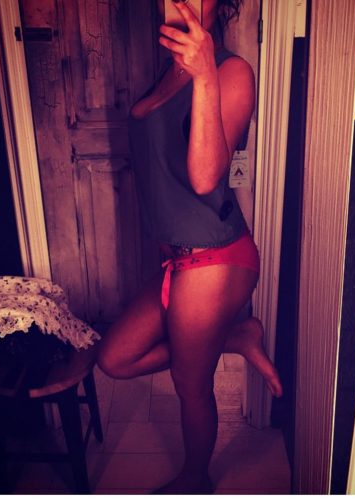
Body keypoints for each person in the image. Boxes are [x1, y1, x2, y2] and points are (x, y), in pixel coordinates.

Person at [96, 0, 283, 494]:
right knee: (114, 359)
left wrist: (204, 75)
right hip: (177, 260)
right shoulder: (166, 70)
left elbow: (204, 178)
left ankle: (195, 481)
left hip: (216, 256)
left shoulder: (232, 72)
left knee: (190, 385)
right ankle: (236, 338)